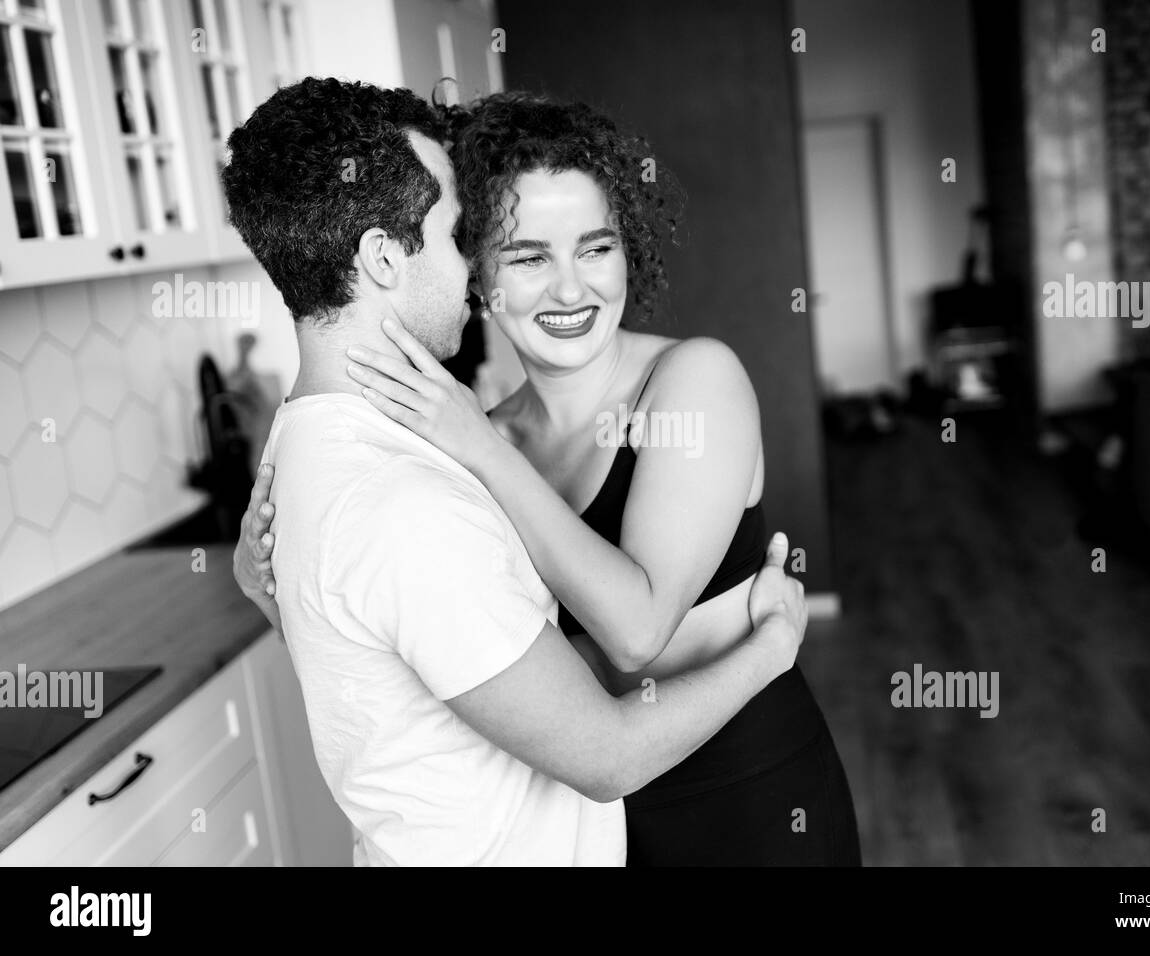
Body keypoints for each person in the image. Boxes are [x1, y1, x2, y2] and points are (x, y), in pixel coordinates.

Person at [237, 90, 860, 866]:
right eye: (529, 257)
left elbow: (636, 633)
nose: (571, 289)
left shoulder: (694, 380)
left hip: (750, 802)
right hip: (607, 818)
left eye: (596, 248)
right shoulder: (471, 439)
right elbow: (437, 640)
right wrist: (280, 590)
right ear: (477, 270)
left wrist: (483, 449)